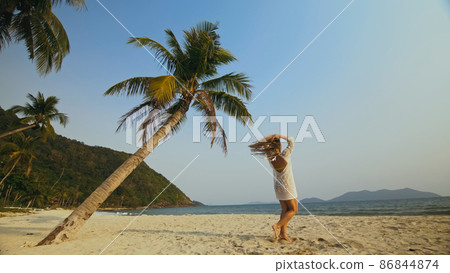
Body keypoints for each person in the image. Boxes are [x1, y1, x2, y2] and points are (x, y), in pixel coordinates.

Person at [249, 134, 298, 242]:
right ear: (278, 146)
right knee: (294, 210)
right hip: (288, 186)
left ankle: (283, 234)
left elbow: (264, 143)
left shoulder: (270, 157)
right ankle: (277, 226)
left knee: (285, 210)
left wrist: (272, 138)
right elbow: (292, 141)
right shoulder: (285, 154)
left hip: (277, 187)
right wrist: (279, 135)